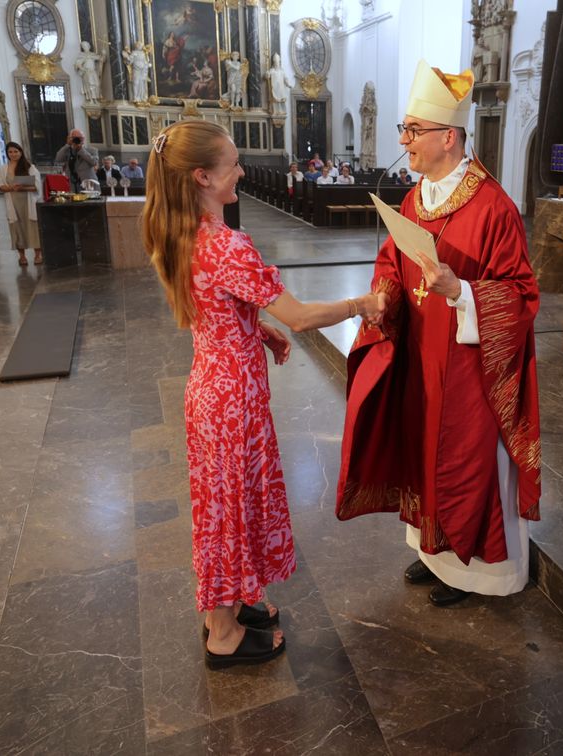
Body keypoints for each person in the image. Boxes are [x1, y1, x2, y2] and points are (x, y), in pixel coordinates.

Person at [140, 120, 384, 669]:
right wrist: (360, 305)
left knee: (224, 509)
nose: (242, 172)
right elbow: (298, 316)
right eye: (232, 165)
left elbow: (214, 307)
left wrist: (256, 328)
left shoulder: (183, 232)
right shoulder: (226, 244)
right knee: (228, 513)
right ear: (203, 177)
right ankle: (223, 634)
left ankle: (222, 611)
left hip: (213, 387)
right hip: (231, 403)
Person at [336, 59, 541, 608]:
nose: (404, 142)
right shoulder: (413, 198)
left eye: (412, 131)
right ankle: (434, 552)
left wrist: (461, 291)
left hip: (471, 365)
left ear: (448, 137)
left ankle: (474, 572)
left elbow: (523, 298)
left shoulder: (494, 207)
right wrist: (383, 297)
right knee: (423, 452)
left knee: (463, 460)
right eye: (404, 129)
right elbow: (392, 262)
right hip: (421, 353)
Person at [0, 141, 42, 267]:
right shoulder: (3, 169)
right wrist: (11, 188)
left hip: (28, 201)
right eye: (10, 152)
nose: (13, 154)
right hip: (13, 202)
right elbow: (0, 186)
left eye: (16, 151)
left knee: (32, 228)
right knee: (17, 228)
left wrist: (22, 188)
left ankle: (38, 254)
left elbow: (37, 186)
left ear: (21, 152)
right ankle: (22, 256)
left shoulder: (30, 167)